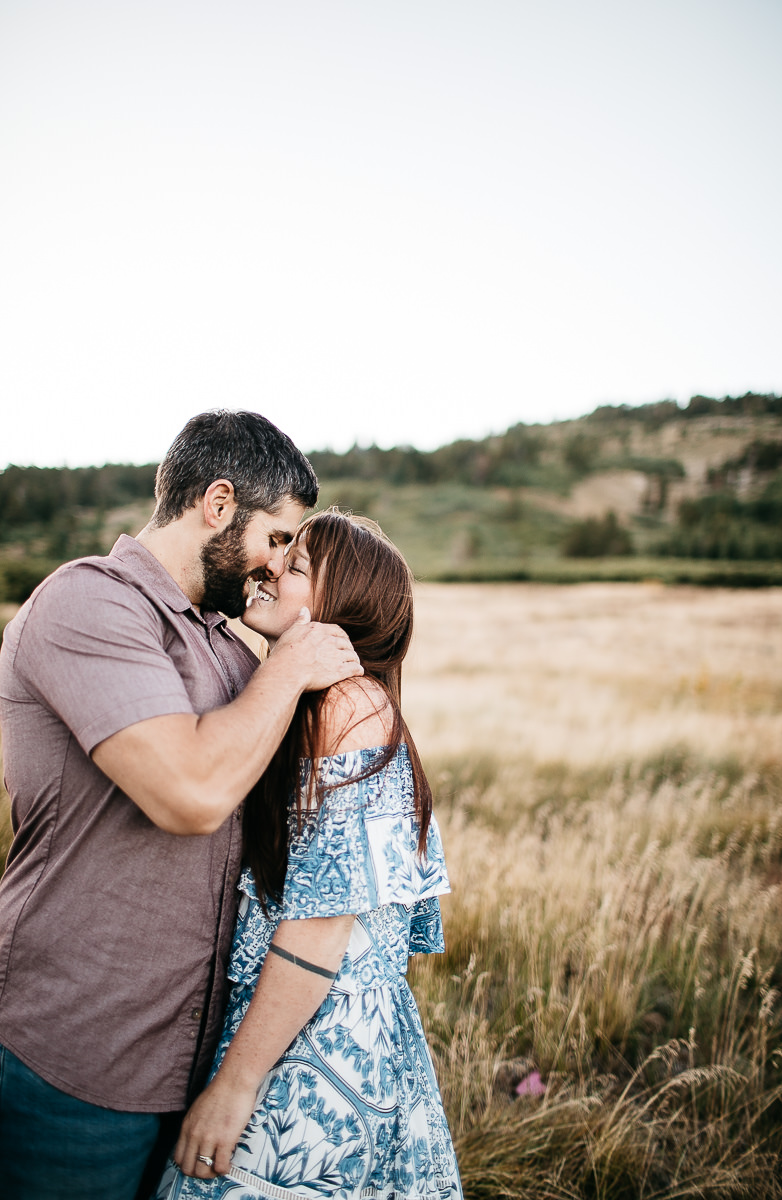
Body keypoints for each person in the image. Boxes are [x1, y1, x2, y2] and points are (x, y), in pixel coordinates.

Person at [0, 411, 362, 1200]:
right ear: (219, 504)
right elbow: (191, 795)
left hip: (190, 1066)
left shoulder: (229, 644)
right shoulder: (88, 604)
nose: (274, 569)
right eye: (276, 539)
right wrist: (290, 665)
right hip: (69, 1062)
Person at [155, 509, 462, 1200]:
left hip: (315, 1044)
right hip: (295, 1024)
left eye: (296, 568)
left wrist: (235, 1087)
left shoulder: (347, 708)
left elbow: (322, 927)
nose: (269, 568)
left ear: (338, 610)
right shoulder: (308, 699)